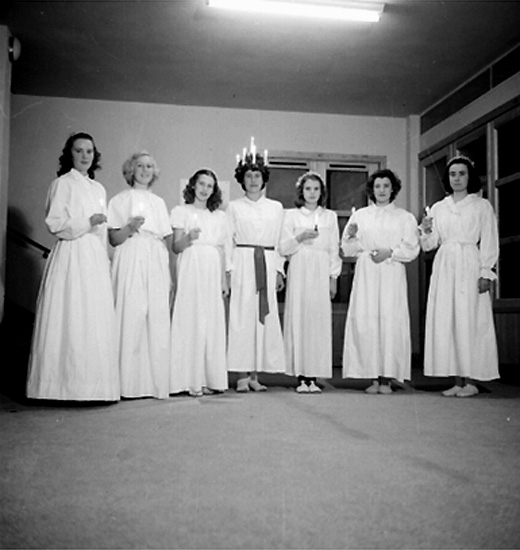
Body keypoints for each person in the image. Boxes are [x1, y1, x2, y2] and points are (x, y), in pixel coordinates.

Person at [26, 132, 119, 401]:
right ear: (70, 154)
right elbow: (55, 224)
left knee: (92, 317)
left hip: (94, 257)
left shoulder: (98, 189)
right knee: (71, 314)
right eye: (79, 150)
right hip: (71, 254)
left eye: (89, 151)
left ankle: (93, 389)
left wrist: (104, 259)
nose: (85, 156)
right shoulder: (62, 184)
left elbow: (101, 232)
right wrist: (87, 222)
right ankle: (60, 388)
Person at [420, 155, 499, 397]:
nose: (457, 178)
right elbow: (429, 244)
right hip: (445, 265)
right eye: (452, 174)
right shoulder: (439, 207)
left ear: (469, 177)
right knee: (449, 318)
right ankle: (457, 379)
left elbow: (489, 239)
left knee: (470, 319)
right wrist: (426, 230)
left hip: (470, 263)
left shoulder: (481, 206)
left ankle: (471, 381)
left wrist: (486, 271)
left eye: (462, 173)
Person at [341, 168, 419, 394]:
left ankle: (387, 378)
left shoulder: (405, 217)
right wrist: (351, 236)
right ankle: (372, 376)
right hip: (367, 272)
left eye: (386, 186)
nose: (382, 190)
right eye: (377, 186)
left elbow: (411, 248)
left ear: (393, 189)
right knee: (367, 321)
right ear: (371, 190)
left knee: (390, 321)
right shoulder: (360, 216)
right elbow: (348, 249)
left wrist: (390, 252)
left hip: (391, 271)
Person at [108, 151, 172, 399]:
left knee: (156, 316)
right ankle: (127, 384)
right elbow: (114, 239)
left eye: (149, 166)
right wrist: (130, 227)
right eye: (140, 166)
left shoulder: (159, 203)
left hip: (155, 256)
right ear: (131, 170)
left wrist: (170, 273)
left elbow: (166, 239)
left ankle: (154, 384)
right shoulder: (119, 200)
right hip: (131, 253)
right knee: (131, 314)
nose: (145, 171)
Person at [227, 145, 286, 391]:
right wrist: (229, 271)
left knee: (263, 316)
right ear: (242, 179)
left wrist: (279, 270)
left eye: (257, 175)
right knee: (242, 316)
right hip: (243, 261)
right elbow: (228, 240)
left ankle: (255, 375)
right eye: (249, 175)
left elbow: (280, 240)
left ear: (264, 179)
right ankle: (241, 375)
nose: (253, 180)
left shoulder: (276, 207)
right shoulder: (234, 206)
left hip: (268, 261)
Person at [170, 169, 231, 397]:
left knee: (210, 321)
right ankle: (187, 380)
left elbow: (222, 249)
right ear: (193, 185)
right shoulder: (181, 211)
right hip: (191, 265)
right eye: (202, 184)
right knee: (191, 318)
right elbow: (176, 247)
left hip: (212, 268)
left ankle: (208, 378)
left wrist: (224, 279)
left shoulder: (220, 217)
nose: (205, 189)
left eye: (210, 186)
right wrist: (189, 238)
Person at [280, 171, 341, 393]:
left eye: (316, 189)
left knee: (317, 320)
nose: (312, 193)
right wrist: (299, 238)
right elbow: (283, 247)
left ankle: (313, 377)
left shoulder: (329, 217)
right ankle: (301, 376)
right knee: (299, 318)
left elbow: (333, 248)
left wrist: (333, 278)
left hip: (320, 269)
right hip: (300, 267)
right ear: (301, 191)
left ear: (321, 192)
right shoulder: (291, 216)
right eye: (308, 189)